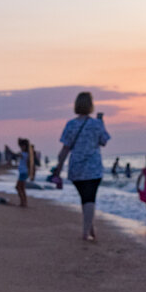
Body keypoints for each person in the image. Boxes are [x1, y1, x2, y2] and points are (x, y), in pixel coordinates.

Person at [52, 91, 110, 241]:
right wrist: (101, 122)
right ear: (91, 105)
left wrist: (59, 167)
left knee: (85, 198)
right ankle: (85, 232)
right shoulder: (97, 124)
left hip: (76, 167)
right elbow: (103, 142)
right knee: (90, 198)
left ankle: (91, 230)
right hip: (93, 167)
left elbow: (65, 148)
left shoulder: (71, 124)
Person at [15, 137, 34, 207]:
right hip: (23, 172)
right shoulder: (26, 154)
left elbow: (16, 155)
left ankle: (23, 202)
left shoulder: (24, 154)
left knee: (18, 187)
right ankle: (24, 202)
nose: (21, 147)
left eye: (22, 146)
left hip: (23, 172)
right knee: (22, 188)